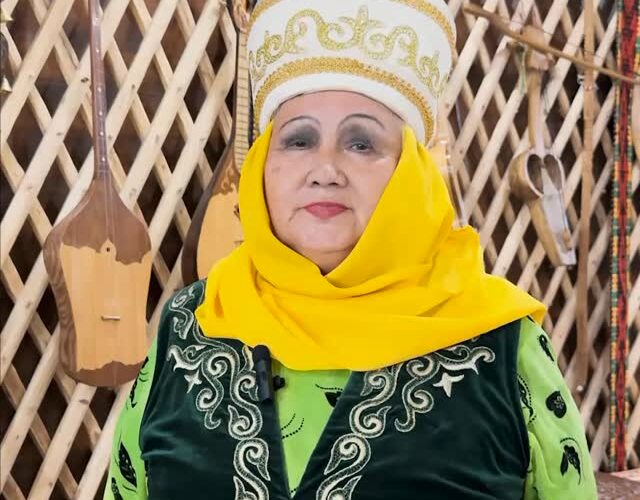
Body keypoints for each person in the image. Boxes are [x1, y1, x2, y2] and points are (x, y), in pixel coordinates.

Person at [104, 0, 597, 498]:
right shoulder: (192, 323)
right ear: (262, 164)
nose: (325, 170)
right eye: (298, 140)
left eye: (361, 143)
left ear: (410, 172)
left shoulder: (503, 343)